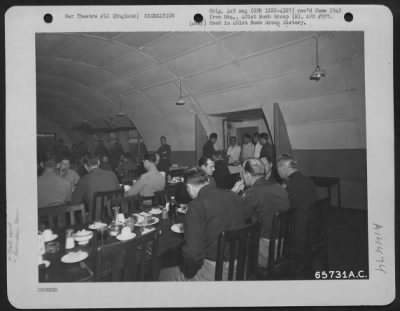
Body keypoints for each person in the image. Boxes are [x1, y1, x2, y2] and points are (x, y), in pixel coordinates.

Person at [159, 168, 246, 281]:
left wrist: (187, 273)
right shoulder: (235, 197)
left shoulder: (196, 205)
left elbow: (193, 256)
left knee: (164, 274)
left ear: (188, 188)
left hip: (216, 272)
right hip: (240, 267)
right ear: (208, 181)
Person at [232, 158, 290, 267]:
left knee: (232, 241)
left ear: (247, 174)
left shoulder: (253, 192)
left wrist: (234, 196)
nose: (242, 178)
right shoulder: (278, 186)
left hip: (266, 249)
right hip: (283, 245)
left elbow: (240, 216)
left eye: (242, 174)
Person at [277, 153, 318, 260]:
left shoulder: (287, 184)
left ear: (283, 168)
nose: (278, 171)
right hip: (313, 228)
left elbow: (280, 208)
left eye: (278, 168)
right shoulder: (307, 180)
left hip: (297, 234)